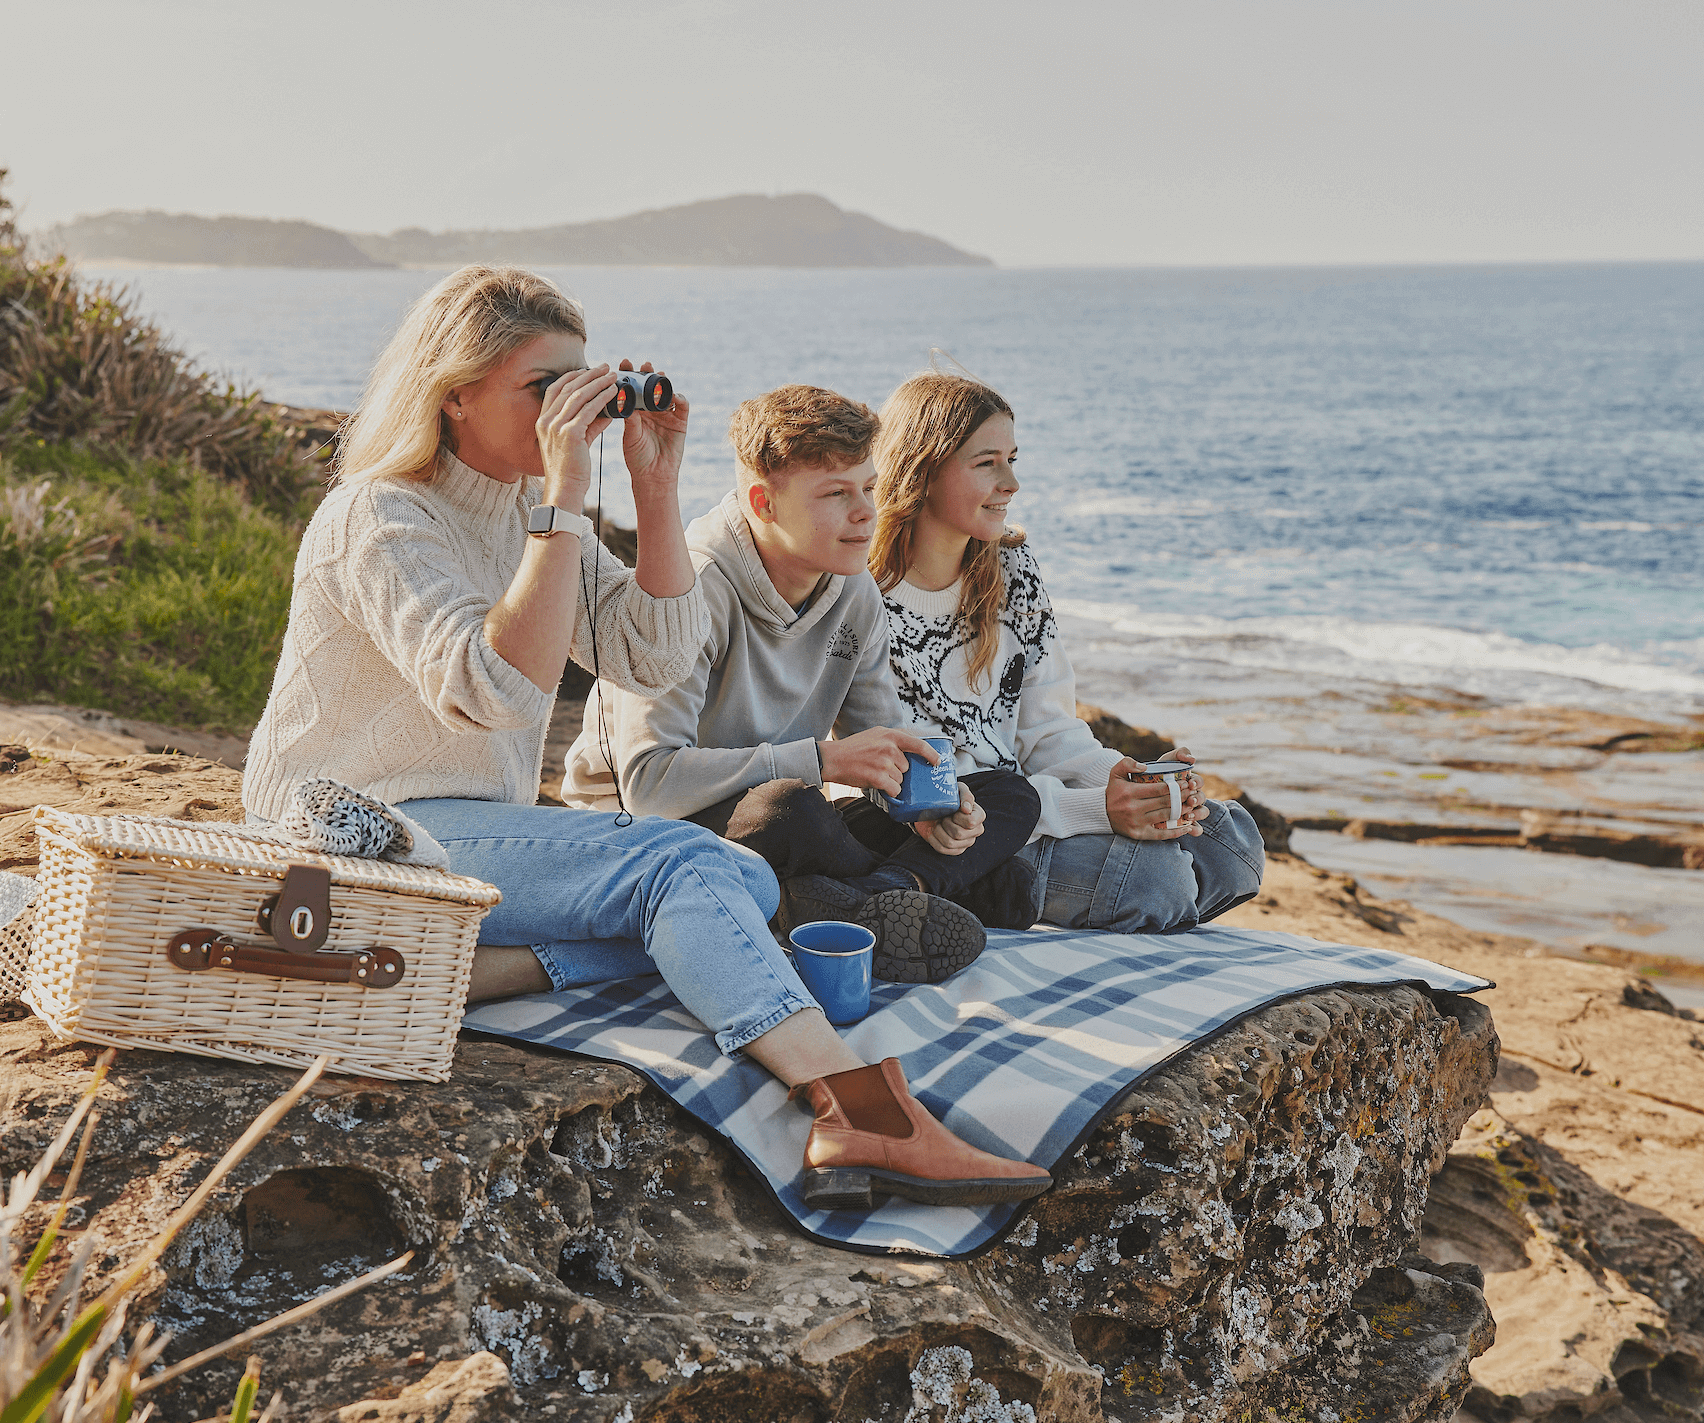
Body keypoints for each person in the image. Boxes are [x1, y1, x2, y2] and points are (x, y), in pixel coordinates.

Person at [241, 270, 1044, 1209]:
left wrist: (654, 484)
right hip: (352, 834)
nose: (570, 410)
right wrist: (564, 495)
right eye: (543, 389)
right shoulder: (379, 516)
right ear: (454, 393)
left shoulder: (525, 516)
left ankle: (454, 972)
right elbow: (492, 691)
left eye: (584, 383)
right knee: (678, 867)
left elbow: (656, 653)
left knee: (743, 882)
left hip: (455, 833)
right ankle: (853, 1103)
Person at [561, 385, 1045, 980]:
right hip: (648, 834)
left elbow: (883, 743)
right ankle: (907, 896)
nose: (866, 513)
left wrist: (933, 805)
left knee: (1010, 795)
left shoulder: (853, 587)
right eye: (836, 494)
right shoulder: (689, 589)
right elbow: (649, 786)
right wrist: (822, 761)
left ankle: (887, 891)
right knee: (789, 808)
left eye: (869, 488)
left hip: (785, 815)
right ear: (764, 503)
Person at [869, 371, 1265, 932]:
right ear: (922, 470)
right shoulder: (867, 601)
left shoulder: (1011, 571)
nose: (1011, 482)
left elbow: (1050, 731)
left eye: (1012, 459)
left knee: (1234, 843)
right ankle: (977, 893)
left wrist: (1131, 781)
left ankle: (1037, 895)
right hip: (957, 827)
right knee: (1158, 881)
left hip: (1031, 802)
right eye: (986, 463)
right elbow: (921, 786)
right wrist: (1093, 810)